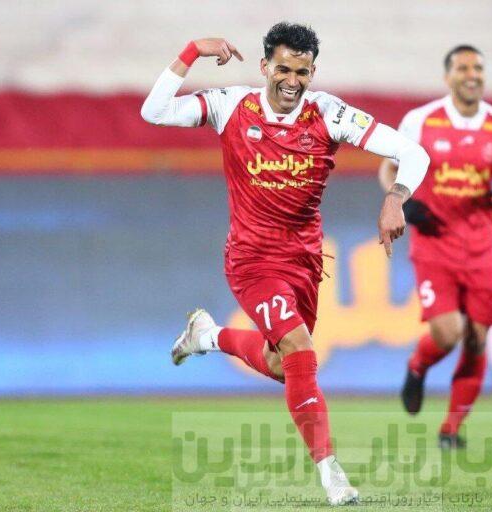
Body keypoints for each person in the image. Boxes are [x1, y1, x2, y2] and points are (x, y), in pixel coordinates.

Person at [141, 22, 429, 505]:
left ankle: (207, 336)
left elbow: (412, 152)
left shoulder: (329, 113)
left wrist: (396, 197)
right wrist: (191, 51)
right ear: (264, 67)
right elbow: (154, 111)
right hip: (252, 260)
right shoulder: (232, 105)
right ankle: (331, 473)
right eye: (283, 69)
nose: (292, 80)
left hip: (304, 262)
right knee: (299, 348)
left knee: (284, 365)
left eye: (302, 71)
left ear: (312, 72)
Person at [378, 45, 492, 449]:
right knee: (448, 334)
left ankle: (451, 429)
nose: (472, 74)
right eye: (463, 68)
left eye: (478, 67)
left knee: (478, 339)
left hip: (481, 247)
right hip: (434, 243)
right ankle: (417, 366)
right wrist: (402, 201)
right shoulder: (421, 120)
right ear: (448, 77)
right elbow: (388, 169)